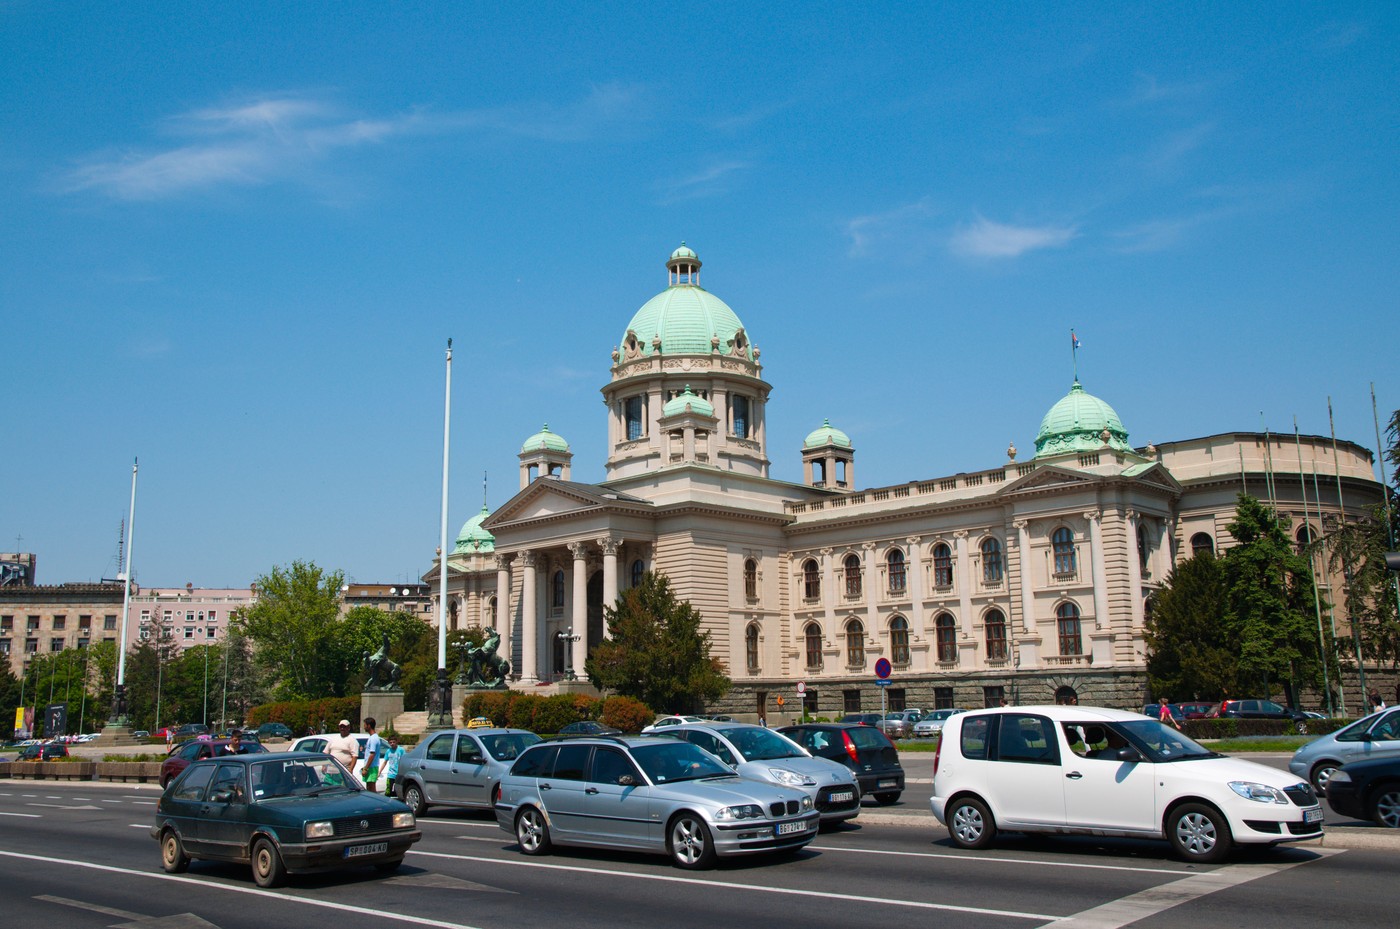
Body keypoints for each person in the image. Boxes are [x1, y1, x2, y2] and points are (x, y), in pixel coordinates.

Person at [362, 717, 382, 793]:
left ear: (369, 726)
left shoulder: (374, 739)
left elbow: (372, 754)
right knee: (368, 788)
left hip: (372, 767)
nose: (364, 727)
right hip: (369, 767)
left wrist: (366, 768)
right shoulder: (372, 737)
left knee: (371, 788)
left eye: (365, 725)